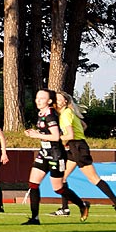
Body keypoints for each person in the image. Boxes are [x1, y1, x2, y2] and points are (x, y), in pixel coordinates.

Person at [55, 91, 116, 217]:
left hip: (78, 147)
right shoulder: (68, 113)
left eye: (59, 99)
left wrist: (58, 139)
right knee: (62, 178)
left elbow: (70, 135)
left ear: (65, 101)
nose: (56, 101)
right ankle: (65, 208)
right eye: (56, 99)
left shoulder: (65, 114)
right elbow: (83, 125)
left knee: (93, 178)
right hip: (74, 146)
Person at [22, 89, 83, 224]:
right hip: (44, 153)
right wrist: (36, 132)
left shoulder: (50, 115)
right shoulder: (41, 113)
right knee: (33, 184)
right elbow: (47, 132)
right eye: (37, 98)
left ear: (49, 101)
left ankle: (82, 205)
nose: (38, 100)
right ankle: (35, 218)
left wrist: (37, 135)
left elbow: (56, 137)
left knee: (58, 188)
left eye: (42, 98)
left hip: (56, 155)